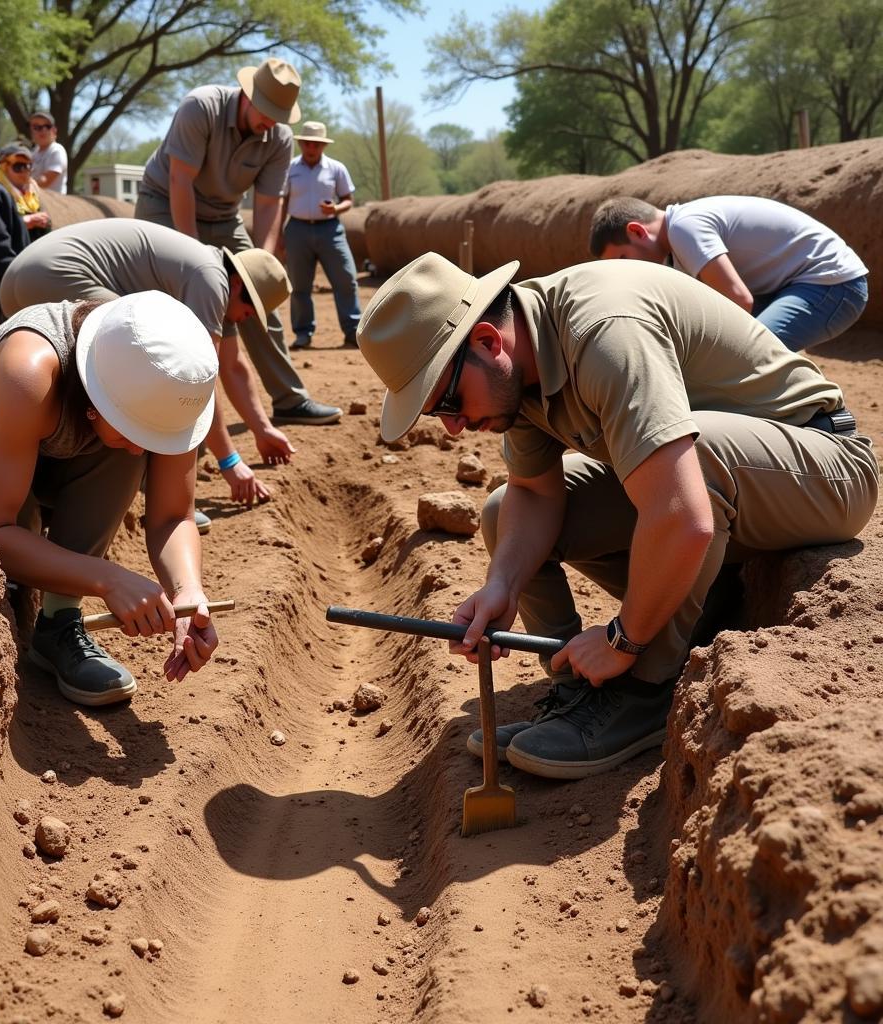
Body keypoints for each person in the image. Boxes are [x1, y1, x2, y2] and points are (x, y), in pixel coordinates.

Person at [356, 252, 878, 780]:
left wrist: (623, 640)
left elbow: (683, 514)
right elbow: (535, 495)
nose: (452, 428)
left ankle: (641, 691)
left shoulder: (604, 332)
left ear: (489, 342)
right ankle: (581, 689)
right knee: (500, 511)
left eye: (447, 400)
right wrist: (504, 585)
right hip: (741, 497)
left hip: (825, 463)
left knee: (690, 470)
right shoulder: (519, 368)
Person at [0, 291, 221, 707]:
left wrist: (188, 592)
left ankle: (59, 622)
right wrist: (107, 578)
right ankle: (5, 594)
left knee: (123, 449)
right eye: (134, 431)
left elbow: (171, 517)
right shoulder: (33, 367)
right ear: (94, 401)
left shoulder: (171, 385)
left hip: (58, 457)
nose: (141, 451)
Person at [0, 218, 296, 518]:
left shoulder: (210, 273)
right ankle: (153, 494)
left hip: (17, 278)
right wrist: (230, 462)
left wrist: (263, 430)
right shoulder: (212, 280)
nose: (247, 318)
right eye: (249, 308)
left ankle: (50, 479)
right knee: (136, 368)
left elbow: (232, 366)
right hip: (56, 274)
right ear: (236, 284)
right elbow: (199, 380)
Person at [136, 57, 341, 426]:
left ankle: (290, 400)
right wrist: (194, 260)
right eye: (265, 111)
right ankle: (154, 404)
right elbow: (180, 184)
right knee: (171, 302)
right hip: (166, 204)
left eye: (278, 115)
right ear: (246, 95)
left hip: (224, 215)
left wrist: (259, 266)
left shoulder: (279, 139)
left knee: (260, 299)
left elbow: (267, 205)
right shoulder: (201, 108)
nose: (270, 121)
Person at [589, 195, 869, 352]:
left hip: (832, 283)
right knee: (737, 353)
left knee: (753, 355)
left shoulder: (684, 228)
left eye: (624, 258)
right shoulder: (677, 245)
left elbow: (738, 301)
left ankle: (822, 424)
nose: (628, 269)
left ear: (637, 231)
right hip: (792, 287)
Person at [281, 121, 361, 350]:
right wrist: (278, 235)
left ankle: (352, 330)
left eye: (316, 144)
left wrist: (335, 209)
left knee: (346, 279)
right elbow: (281, 203)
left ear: (323, 146)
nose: (311, 148)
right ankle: (303, 333)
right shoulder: (290, 169)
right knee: (299, 285)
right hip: (296, 229)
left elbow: (348, 199)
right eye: (307, 143)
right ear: (301, 144)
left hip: (330, 230)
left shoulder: (336, 168)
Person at [0, 143, 52, 321]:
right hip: (11, 280)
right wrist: (13, 278)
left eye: (28, 166)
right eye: (18, 166)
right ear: (3, 167)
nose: (25, 171)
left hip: (31, 276)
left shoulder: (30, 196)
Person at [28, 111, 69, 194]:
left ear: (54, 130)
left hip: (54, 204)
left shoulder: (57, 150)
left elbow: (45, 181)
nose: (43, 130)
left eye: (47, 126)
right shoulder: (34, 152)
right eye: (37, 127)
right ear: (32, 131)